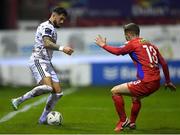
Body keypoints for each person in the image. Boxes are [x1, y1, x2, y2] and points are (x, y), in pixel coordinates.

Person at [95, 23, 176, 132]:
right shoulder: (150, 44)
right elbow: (164, 64)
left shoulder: (133, 44)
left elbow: (118, 52)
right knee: (136, 98)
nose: (125, 37)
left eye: (125, 35)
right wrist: (168, 81)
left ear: (129, 34)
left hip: (146, 82)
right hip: (156, 83)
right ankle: (132, 123)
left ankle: (123, 121)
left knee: (115, 91)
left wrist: (103, 45)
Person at [11, 6, 74, 124]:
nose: (62, 22)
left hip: (46, 62)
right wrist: (62, 48)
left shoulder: (51, 28)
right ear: (54, 15)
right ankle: (19, 100)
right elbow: (47, 43)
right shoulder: (47, 27)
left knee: (58, 93)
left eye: (64, 20)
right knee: (48, 87)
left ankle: (42, 119)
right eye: (61, 19)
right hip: (38, 60)